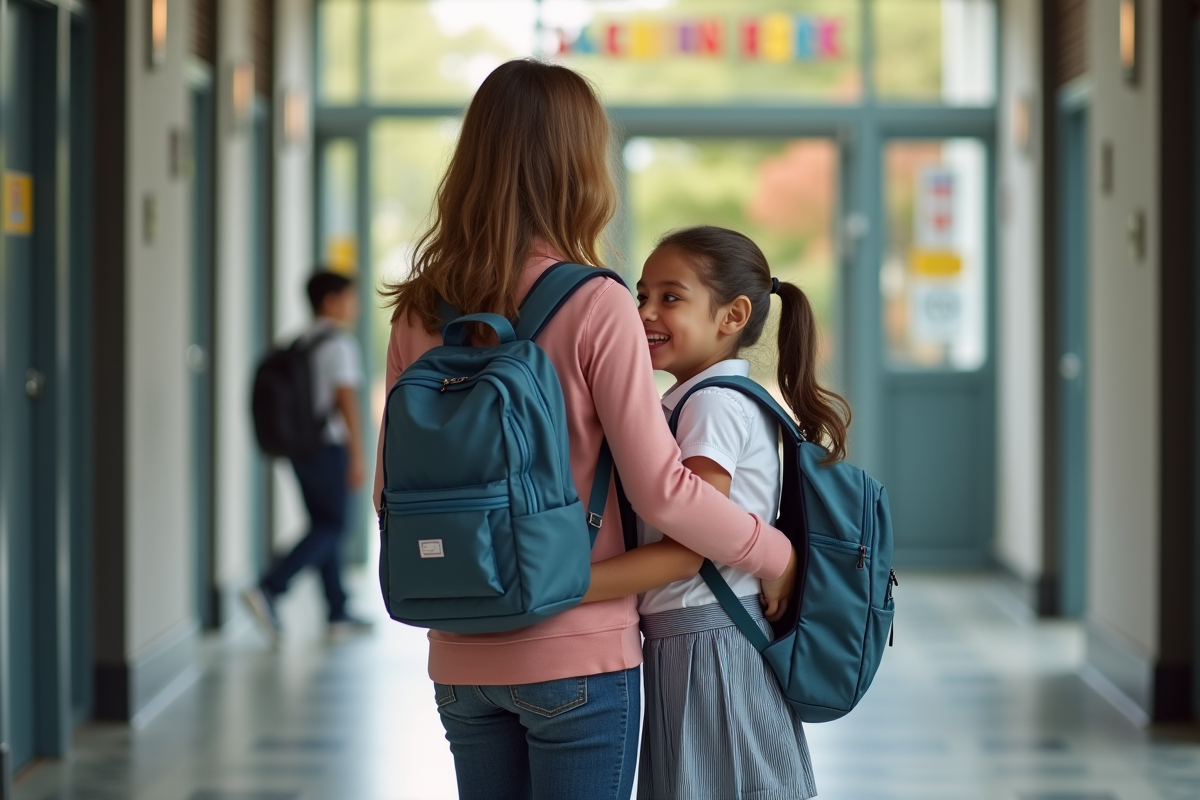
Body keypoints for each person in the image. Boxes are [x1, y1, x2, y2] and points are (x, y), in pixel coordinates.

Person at [374, 60, 797, 800]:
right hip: (577, 655)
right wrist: (773, 552)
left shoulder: (419, 308)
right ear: (578, 166)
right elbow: (662, 492)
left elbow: (390, 494)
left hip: (460, 655)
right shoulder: (596, 302)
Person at [582, 225, 853, 800]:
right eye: (642, 295)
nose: (644, 312)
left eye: (670, 297)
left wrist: (565, 587)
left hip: (708, 645)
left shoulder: (711, 405)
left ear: (732, 316)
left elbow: (688, 548)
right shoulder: (701, 399)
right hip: (699, 640)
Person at [244, 270, 373, 643]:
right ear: (330, 301)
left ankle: (338, 612)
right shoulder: (339, 344)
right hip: (327, 447)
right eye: (350, 297)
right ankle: (270, 586)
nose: (355, 306)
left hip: (300, 448)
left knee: (324, 523)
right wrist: (358, 453)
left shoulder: (300, 343)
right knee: (332, 526)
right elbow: (345, 400)